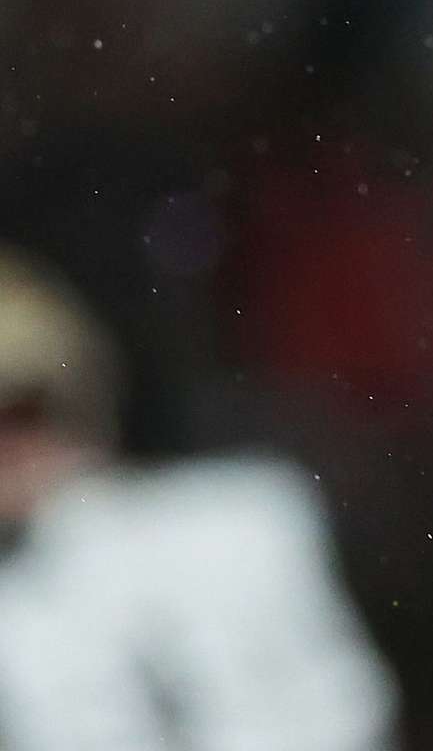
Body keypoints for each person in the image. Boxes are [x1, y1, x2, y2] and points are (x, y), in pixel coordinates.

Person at [0, 249, 397, 750]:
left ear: (78, 402)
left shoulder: (238, 525)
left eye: (24, 409)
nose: (9, 447)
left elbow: (338, 708)